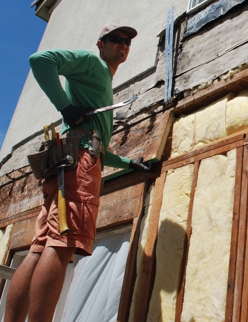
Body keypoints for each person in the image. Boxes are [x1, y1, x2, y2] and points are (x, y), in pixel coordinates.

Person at [5, 23, 154, 322]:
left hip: (68, 160)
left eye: (127, 42)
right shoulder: (92, 63)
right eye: (116, 39)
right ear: (101, 44)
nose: (123, 45)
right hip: (78, 162)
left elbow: (93, 141)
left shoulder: (102, 83)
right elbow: (41, 60)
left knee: (40, 247)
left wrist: (129, 164)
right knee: (63, 243)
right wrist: (65, 107)